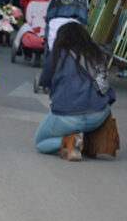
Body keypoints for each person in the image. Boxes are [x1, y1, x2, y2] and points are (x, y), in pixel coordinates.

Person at [34, 22, 116, 161]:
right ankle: (83, 141)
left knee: (40, 142)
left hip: (66, 117)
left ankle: (69, 141)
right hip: (98, 115)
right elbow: (105, 85)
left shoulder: (56, 54)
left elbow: (44, 81)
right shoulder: (96, 53)